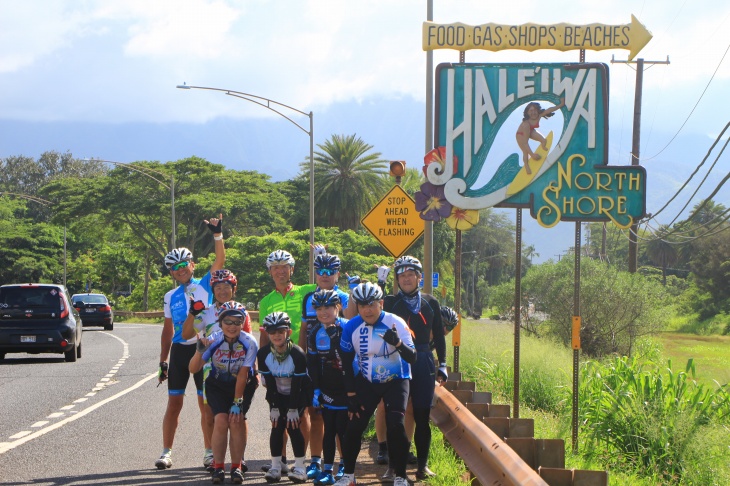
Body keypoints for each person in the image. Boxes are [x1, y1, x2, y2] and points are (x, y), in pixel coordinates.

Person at [155, 215, 225, 470]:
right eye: (175, 267)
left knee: (204, 404)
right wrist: (163, 360)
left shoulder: (206, 284)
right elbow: (167, 331)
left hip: (204, 351)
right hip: (179, 353)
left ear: (193, 265)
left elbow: (219, 261)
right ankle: (166, 452)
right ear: (171, 272)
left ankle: (208, 452)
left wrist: (217, 235)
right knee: (174, 403)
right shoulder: (169, 295)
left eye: (184, 264)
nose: (180, 269)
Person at [334, 282, 416, 486]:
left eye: (371, 304)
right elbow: (345, 363)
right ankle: (349, 476)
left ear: (381, 303)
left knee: (396, 426)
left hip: (396, 379)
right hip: (368, 380)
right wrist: (351, 394)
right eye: (362, 305)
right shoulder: (352, 326)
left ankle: (400, 476)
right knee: (352, 427)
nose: (367, 310)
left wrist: (398, 343)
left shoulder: (395, 322)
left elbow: (413, 357)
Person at [381, 255, 447, 481]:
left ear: (419, 277)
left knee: (422, 415)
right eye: (402, 275)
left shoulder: (431, 302)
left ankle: (422, 465)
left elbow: (439, 335)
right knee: (395, 417)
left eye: (411, 275)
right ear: (397, 279)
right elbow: (373, 312)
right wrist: (380, 283)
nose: (406, 279)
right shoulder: (390, 302)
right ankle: (392, 466)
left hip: (423, 360)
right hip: (396, 360)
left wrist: (444, 364)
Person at [181, 269, 254, 472]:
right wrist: (192, 314)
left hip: (239, 366)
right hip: (211, 368)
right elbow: (186, 334)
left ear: (234, 289)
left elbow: (248, 339)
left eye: (227, 287)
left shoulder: (242, 311)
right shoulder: (206, 312)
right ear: (213, 290)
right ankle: (212, 453)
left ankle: (240, 456)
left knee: (239, 415)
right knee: (210, 413)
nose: (222, 291)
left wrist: (252, 371)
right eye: (218, 288)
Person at [258, 249, 317, 474]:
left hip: (302, 358)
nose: (280, 271)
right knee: (278, 412)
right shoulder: (266, 301)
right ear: (270, 272)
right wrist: (262, 369)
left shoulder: (306, 291)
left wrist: (320, 259)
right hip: (275, 361)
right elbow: (264, 335)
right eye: (276, 268)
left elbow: (328, 287)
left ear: (292, 269)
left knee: (302, 414)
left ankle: (300, 461)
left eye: (285, 267)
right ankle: (280, 460)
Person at [188, 301, 258, 484]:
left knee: (236, 420)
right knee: (220, 419)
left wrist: (237, 402)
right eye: (228, 321)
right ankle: (218, 467)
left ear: (243, 323)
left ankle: (237, 467)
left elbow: (243, 375)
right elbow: (193, 369)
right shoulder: (214, 340)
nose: (232, 326)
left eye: (237, 322)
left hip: (242, 384)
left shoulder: (250, 342)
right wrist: (199, 352)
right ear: (220, 323)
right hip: (217, 384)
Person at [300, 252, 354, 480]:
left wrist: (353, 294)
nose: (324, 275)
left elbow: (351, 321)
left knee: (341, 422)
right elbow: (304, 330)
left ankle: (344, 465)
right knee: (317, 415)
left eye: (329, 271)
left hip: (341, 370)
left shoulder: (343, 296)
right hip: (318, 364)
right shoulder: (308, 297)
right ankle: (317, 461)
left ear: (337, 274)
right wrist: (301, 362)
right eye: (320, 271)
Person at [257, 311, 310, 484]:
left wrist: (294, 408)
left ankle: (301, 468)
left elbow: (298, 384)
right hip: (277, 394)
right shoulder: (264, 354)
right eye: (272, 332)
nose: (277, 335)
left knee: (294, 426)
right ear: (267, 333)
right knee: (277, 426)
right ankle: (276, 466)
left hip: (298, 393)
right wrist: (274, 406)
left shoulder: (297, 354)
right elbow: (270, 384)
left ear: (288, 332)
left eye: (280, 331)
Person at [307, 289, 349, 485]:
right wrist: (316, 389)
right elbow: (313, 364)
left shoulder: (347, 328)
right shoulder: (315, 331)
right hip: (326, 389)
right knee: (329, 430)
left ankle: (345, 466)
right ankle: (327, 470)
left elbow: (351, 360)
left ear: (337, 307)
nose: (323, 312)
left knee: (344, 430)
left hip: (347, 387)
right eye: (319, 308)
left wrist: (336, 340)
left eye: (328, 308)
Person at [515, 98, 565, 174]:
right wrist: (532, 155)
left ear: (538, 110)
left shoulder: (539, 115)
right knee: (525, 152)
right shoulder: (526, 125)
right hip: (521, 135)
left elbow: (549, 110)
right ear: (527, 113)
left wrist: (560, 105)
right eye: (531, 111)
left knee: (543, 140)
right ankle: (526, 166)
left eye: (535, 110)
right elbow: (525, 143)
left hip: (531, 130)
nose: (533, 112)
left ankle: (543, 146)